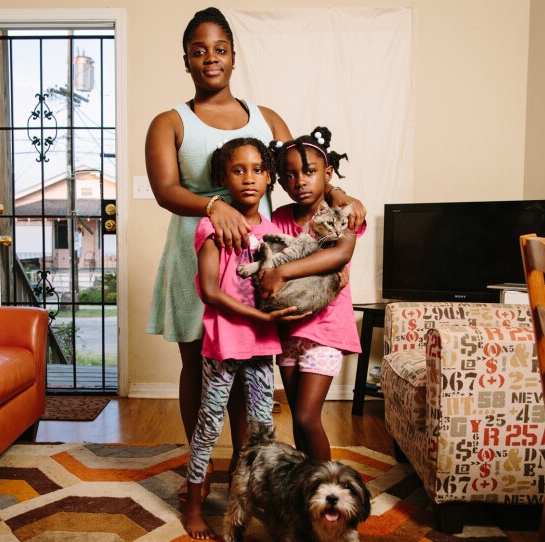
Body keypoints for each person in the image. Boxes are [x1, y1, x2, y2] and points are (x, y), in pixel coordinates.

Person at [144, 6, 366, 495]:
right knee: (199, 366)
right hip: (196, 255)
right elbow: (164, 189)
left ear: (233, 57)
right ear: (185, 60)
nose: (210, 59)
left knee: (251, 364)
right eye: (198, 52)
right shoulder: (169, 121)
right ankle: (198, 472)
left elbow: (300, 170)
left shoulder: (267, 118)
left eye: (219, 50)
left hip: (260, 258)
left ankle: (243, 474)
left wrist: (341, 202)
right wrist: (211, 207)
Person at [184, 138, 307, 538]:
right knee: (209, 422)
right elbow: (210, 290)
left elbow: (289, 276)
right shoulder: (212, 225)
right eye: (238, 170)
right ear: (223, 177)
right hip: (223, 343)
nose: (249, 178)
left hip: (261, 347)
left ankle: (257, 500)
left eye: (257, 169)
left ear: (269, 177)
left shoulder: (273, 234)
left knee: (262, 429)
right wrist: (256, 315)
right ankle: (194, 503)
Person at [260, 127, 366, 461]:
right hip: (290, 328)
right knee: (299, 422)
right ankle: (306, 490)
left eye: (309, 172)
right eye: (289, 175)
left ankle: (328, 487)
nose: (300, 181)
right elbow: (269, 257)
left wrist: (284, 271)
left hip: (326, 330)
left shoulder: (342, 212)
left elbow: (339, 254)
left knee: (307, 417)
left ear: (327, 173)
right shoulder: (280, 218)